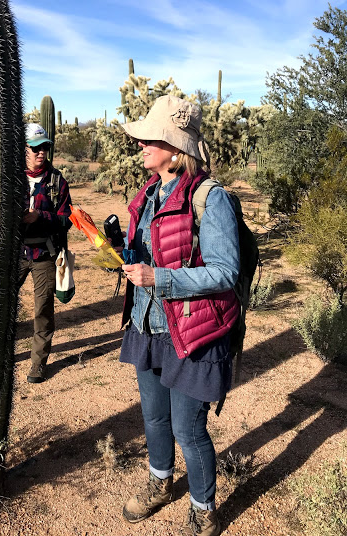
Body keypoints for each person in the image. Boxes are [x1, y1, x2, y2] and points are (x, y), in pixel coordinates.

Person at [117, 95, 240, 536]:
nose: (142, 145)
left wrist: (159, 278)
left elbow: (226, 272)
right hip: (148, 325)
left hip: (192, 330)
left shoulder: (211, 198)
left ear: (174, 147)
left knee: (189, 429)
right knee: (153, 417)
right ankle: (160, 479)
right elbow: (155, 252)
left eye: (152, 137)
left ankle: (204, 507)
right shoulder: (147, 193)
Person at [20, 123, 72, 384]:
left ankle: (38, 364)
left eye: (45, 147)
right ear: (24, 149)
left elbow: (66, 219)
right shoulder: (11, 179)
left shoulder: (56, 181)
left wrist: (39, 216)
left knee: (42, 309)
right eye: (36, 148)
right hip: (15, 253)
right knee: (0, 305)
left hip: (43, 253)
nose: (42, 153)